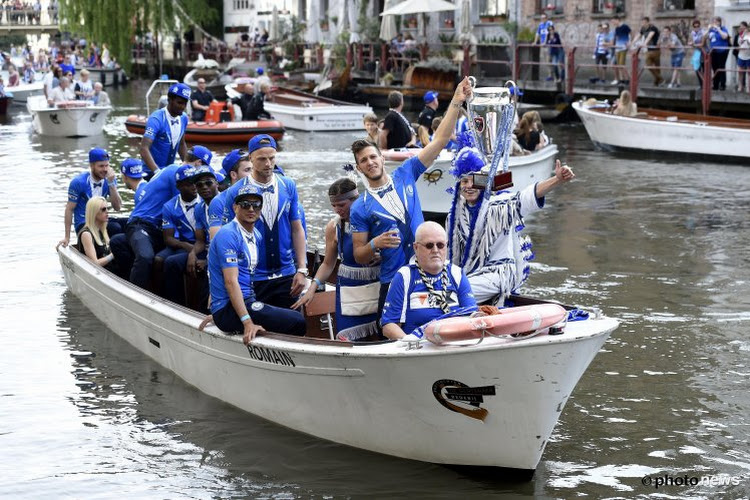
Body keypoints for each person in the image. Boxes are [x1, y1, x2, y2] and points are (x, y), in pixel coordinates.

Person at [350, 78, 473, 321]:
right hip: (393, 278)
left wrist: (457, 102)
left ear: (382, 158)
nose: (370, 163)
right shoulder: (359, 207)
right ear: (359, 168)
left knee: (447, 324)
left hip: (429, 271)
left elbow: (439, 141)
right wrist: (375, 244)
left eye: (373, 157)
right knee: (390, 336)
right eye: (364, 161)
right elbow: (359, 255)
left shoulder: (406, 173)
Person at [445, 146, 575, 304]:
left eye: (474, 179)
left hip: (498, 274)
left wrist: (557, 180)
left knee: (454, 293)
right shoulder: (454, 216)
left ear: (483, 181)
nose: (469, 185)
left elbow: (526, 197)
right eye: (464, 181)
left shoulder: (499, 205)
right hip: (469, 274)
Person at [206, 184, 306, 344]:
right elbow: (231, 282)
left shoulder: (256, 235)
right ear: (235, 207)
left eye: (256, 205)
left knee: (291, 312)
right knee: (297, 321)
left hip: (245, 301)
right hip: (228, 309)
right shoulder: (228, 234)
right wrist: (245, 321)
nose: (251, 209)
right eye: (245, 204)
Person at [221, 135, 307, 309]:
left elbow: (296, 229)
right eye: (262, 159)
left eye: (272, 158)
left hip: (286, 274)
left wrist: (302, 269)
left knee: (294, 325)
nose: (268, 164)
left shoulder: (288, 184)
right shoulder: (235, 191)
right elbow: (226, 239)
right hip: (252, 277)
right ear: (250, 158)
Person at [292, 178, 381, 341]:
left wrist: (381, 256)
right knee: (348, 339)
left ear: (356, 199)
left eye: (341, 205)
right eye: (334, 206)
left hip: (375, 284)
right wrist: (312, 289)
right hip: (348, 291)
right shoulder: (333, 227)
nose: (337, 210)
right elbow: (328, 264)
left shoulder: (374, 220)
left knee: (378, 336)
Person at [381, 222, 477, 341]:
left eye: (440, 245)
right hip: (419, 349)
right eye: (429, 245)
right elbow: (389, 325)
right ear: (416, 247)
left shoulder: (457, 274)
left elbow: (472, 316)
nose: (435, 250)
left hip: (455, 345)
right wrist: (408, 340)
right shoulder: (405, 276)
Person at [124, 163, 183, 289]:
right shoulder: (174, 172)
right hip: (141, 225)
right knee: (145, 257)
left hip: (159, 229)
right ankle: (133, 295)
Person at [57, 148, 123, 250]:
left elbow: (117, 207)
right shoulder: (78, 182)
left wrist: (111, 185)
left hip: (101, 221)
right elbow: (69, 209)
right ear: (91, 166)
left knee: (122, 226)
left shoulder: (110, 179)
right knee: (99, 234)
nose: (105, 170)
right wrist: (67, 237)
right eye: (101, 166)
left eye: (107, 165)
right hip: (84, 223)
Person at [157, 165, 199, 305]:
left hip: (202, 245)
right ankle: (163, 298)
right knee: (158, 260)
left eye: (195, 182)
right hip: (183, 243)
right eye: (188, 183)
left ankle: (178, 303)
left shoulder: (206, 202)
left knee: (172, 262)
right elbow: (168, 238)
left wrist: (193, 250)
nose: (194, 186)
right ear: (179, 186)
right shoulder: (169, 206)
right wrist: (186, 246)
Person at [140, 82, 190, 178]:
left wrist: (187, 165)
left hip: (167, 172)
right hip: (151, 173)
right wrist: (157, 172)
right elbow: (144, 149)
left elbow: (182, 144)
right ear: (169, 100)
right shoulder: (156, 119)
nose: (183, 107)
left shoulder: (184, 118)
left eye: (185, 103)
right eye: (179, 103)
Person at [208, 149, 252, 239]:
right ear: (233, 175)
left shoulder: (260, 196)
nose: (253, 174)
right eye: (247, 170)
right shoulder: (219, 202)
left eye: (254, 169)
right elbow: (216, 240)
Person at [76, 196, 117, 271]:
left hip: (109, 270)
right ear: (94, 212)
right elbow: (94, 263)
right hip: (99, 274)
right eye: (103, 209)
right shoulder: (86, 234)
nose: (107, 211)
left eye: (108, 208)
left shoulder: (102, 230)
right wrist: (112, 255)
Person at [636, 17, 663, 87]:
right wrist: (632, 43)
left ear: (648, 22)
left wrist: (644, 44)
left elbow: (649, 37)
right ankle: (661, 79)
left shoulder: (653, 28)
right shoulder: (643, 29)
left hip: (656, 50)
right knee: (649, 65)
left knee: (657, 67)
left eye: (644, 22)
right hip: (648, 51)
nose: (643, 24)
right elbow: (638, 35)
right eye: (642, 22)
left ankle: (657, 82)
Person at [706, 16, 729, 91]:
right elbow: (705, 37)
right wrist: (708, 29)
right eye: (713, 22)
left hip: (722, 51)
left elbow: (725, 37)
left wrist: (718, 29)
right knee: (715, 68)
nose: (714, 23)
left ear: (719, 22)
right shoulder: (711, 30)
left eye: (716, 22)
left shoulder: (723, 29)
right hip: (713, 51)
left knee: (721, 67)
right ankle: (715, 84)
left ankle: (722, 85)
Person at [611, 17, 631, 84]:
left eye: (614, 21)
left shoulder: (625, 26)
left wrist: (630, 42)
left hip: (623, 47)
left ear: (617, 20)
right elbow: (617, 37)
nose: (613, 23)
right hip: (617, 48)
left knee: (621, 64)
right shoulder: (616, 28)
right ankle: (622, 79)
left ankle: (628, 79)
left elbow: (631, 33)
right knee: (618, 64)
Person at [533, 13, 553, 80]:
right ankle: (550, 74)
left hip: (548, 45)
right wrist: (535, 42)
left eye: (544, 18)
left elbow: (549, 33)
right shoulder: (540, 25)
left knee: (548, 60)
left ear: (546, 18)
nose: (542, 19)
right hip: (542, 45)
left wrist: (545, 42)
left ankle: (551, 75)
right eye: (541, 18)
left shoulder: (549, 23)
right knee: (545, 61)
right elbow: (537, 33)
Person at [690, 19, 706, 89]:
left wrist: (693, 45)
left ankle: (705, 85)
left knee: (704, 69)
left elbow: (702, 44)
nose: (696, 28)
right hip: (697, 52)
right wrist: (690, 43)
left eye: (698, 26)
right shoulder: (692, 33)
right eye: (695, 26)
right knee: (697, 69)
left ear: (700, 26)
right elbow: (690, 41)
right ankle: (701, 85)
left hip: (704, 52)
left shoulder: (703, 32)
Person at [737, 21, 750, 93]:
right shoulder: (740, 35)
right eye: (740, 26)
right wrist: (743, 35)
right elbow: (739, 43)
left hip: (748, 56)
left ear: (746, 27)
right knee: (740, 72)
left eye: (742, 26)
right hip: (741, 55)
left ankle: (748, 87)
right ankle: (740, 86)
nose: (741, 27)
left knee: (749, 72)